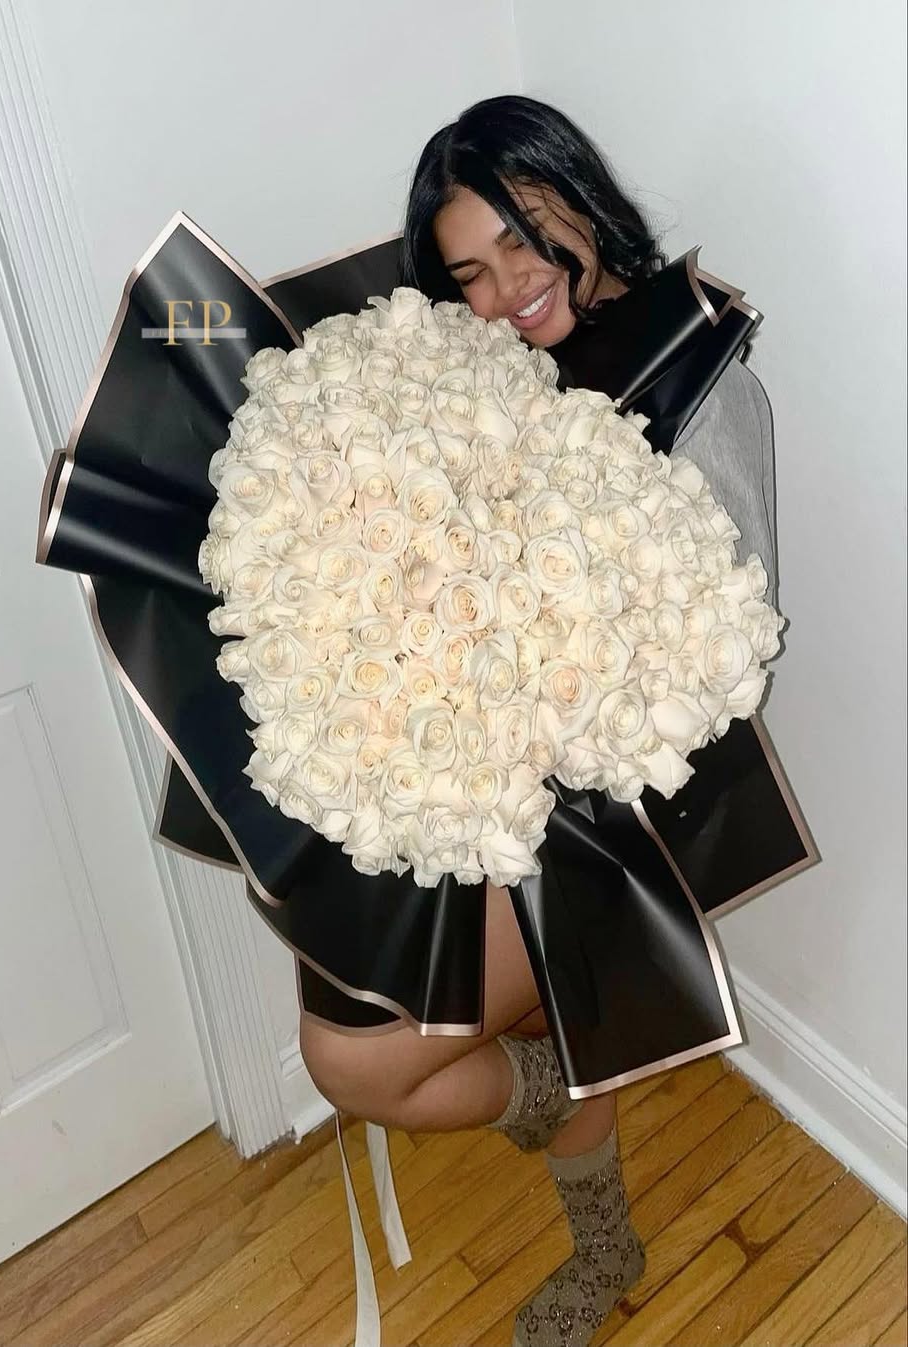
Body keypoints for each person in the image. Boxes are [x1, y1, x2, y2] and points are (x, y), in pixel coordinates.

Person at [298, 95, 779, 1347]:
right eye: (466, 269)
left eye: (525, 238)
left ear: (580, 196)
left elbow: (735, 641)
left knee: (367, 1062)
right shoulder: (466, 363)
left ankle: (603, 1235)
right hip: (466, 763)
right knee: (347, 1035)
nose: (506, 288)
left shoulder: (699, 367)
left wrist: (526, 681)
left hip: (625, 793)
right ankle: (579, 1131)